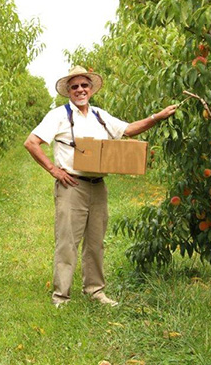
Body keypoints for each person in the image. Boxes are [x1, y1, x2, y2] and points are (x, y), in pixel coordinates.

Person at [24, 66, 178, 307]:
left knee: (96, 241)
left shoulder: (99, 115)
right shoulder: (59, 115)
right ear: (68, 91)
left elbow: (127, 130)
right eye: (74, 87)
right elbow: (31, 143)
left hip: (98, 185)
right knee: (67, 241)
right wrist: (54, 170)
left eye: (84, 85)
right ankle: (61, 295)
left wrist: (156, 117)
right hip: (72, 184)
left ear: (92, 89)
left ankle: (95, 290)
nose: (80, 90)